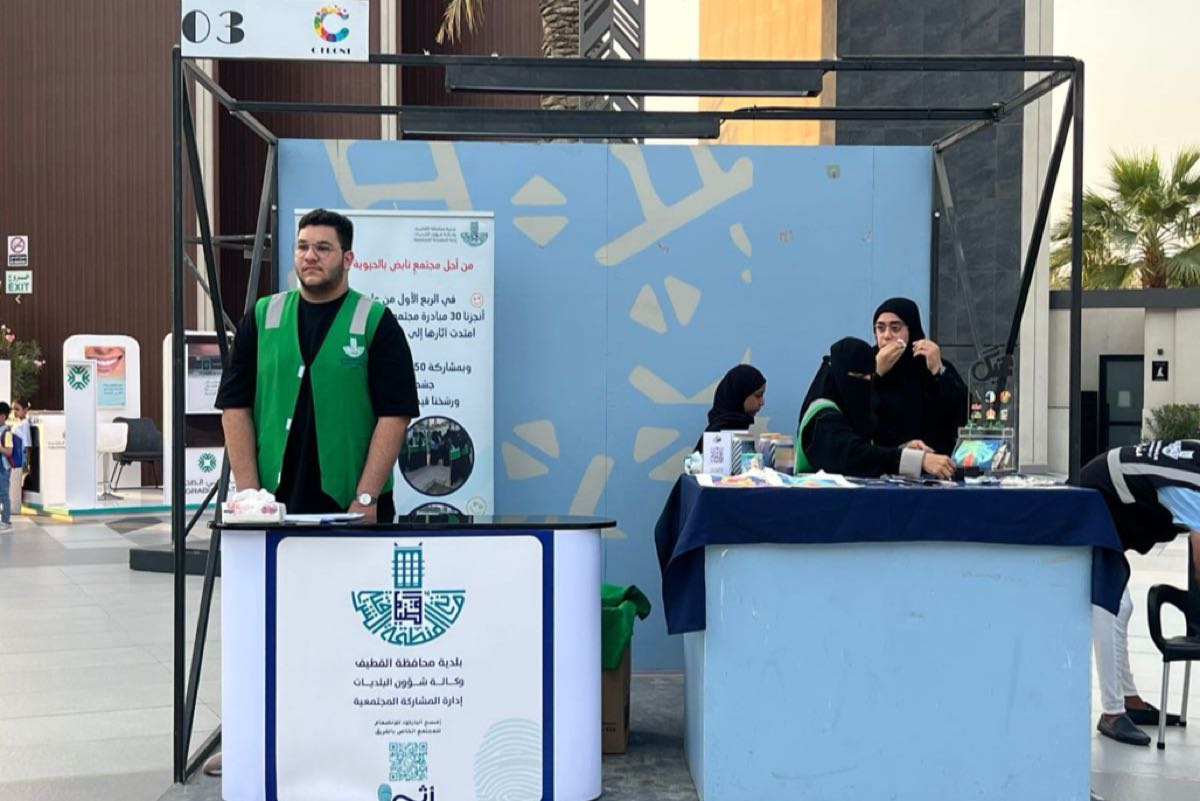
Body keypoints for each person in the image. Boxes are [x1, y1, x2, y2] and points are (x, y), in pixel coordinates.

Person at [217, 208, 421, 524]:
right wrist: (250, 495)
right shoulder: (261, 316)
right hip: (272, 504)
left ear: (348, 258)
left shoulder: (375, 321)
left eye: (323, 248)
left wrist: (366, 497)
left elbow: (394, 416)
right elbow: (234, 407)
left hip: (351, 506)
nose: (310, 256)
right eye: (302, 247)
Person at [1079, 439, 1200, 746]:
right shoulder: (1191, 483)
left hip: (1112, 498)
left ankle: (1129, 700)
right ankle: (1112, 712)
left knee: (1123, 606)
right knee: (1110, 605)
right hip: (1094, 499)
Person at [794, 337, 955, 479]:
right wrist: (917, 460)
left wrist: (903, 450)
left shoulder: (848, 412)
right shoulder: (821, 415)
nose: (865, 383)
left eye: (870, 377)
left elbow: (866, 450)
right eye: (859, 377)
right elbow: (851, 455)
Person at [871, 297, 967, 457]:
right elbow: (856, 413)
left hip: (935, 462)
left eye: (895, 328)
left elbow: (963, 412)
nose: (886, 336)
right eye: (880, 329)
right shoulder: (865, 364)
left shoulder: (927, 363)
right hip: (883, 462)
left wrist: (939, 371)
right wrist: (876, 373)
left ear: (911, 329)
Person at [695, 364, 766, 451]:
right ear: (740, 394)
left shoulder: (736, 424)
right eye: (758, 395)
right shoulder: (721, 432)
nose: (762, 402)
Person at [7, 399, 30, 515]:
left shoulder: (25, 424)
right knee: (12, 485)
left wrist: (27, 462)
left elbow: (27, 444)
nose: (14, 412)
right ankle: (11, 508)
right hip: (12, 460)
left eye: (17, 409)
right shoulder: (18, 424)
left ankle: (14, 509)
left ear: (25, 410)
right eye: (13, 410)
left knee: (15, 485)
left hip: (18, 460)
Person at [0, 402, 12, 532]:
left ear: (3, 416)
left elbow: (9, 452)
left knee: (3, 494)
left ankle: (6, 521)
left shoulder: (7, 433)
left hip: (3, 468)